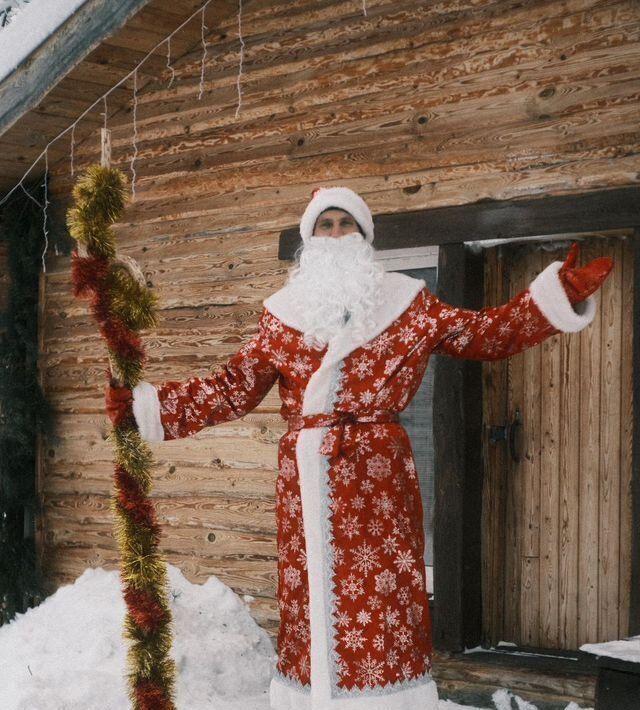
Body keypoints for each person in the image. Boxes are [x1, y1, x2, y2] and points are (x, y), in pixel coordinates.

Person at [106, 186, 613, 710]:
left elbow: (481, 334)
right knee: (311, 597)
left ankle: (388, 699)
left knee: (382, 591)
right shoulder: (281, 316)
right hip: (304, 480)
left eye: (345, 224)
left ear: (365, 237)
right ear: (309, 239)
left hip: (378, 477)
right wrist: (151, 408)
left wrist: (553, 300)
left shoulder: (407, 303)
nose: (334, 234)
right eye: (324, 225)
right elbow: (232, 388)